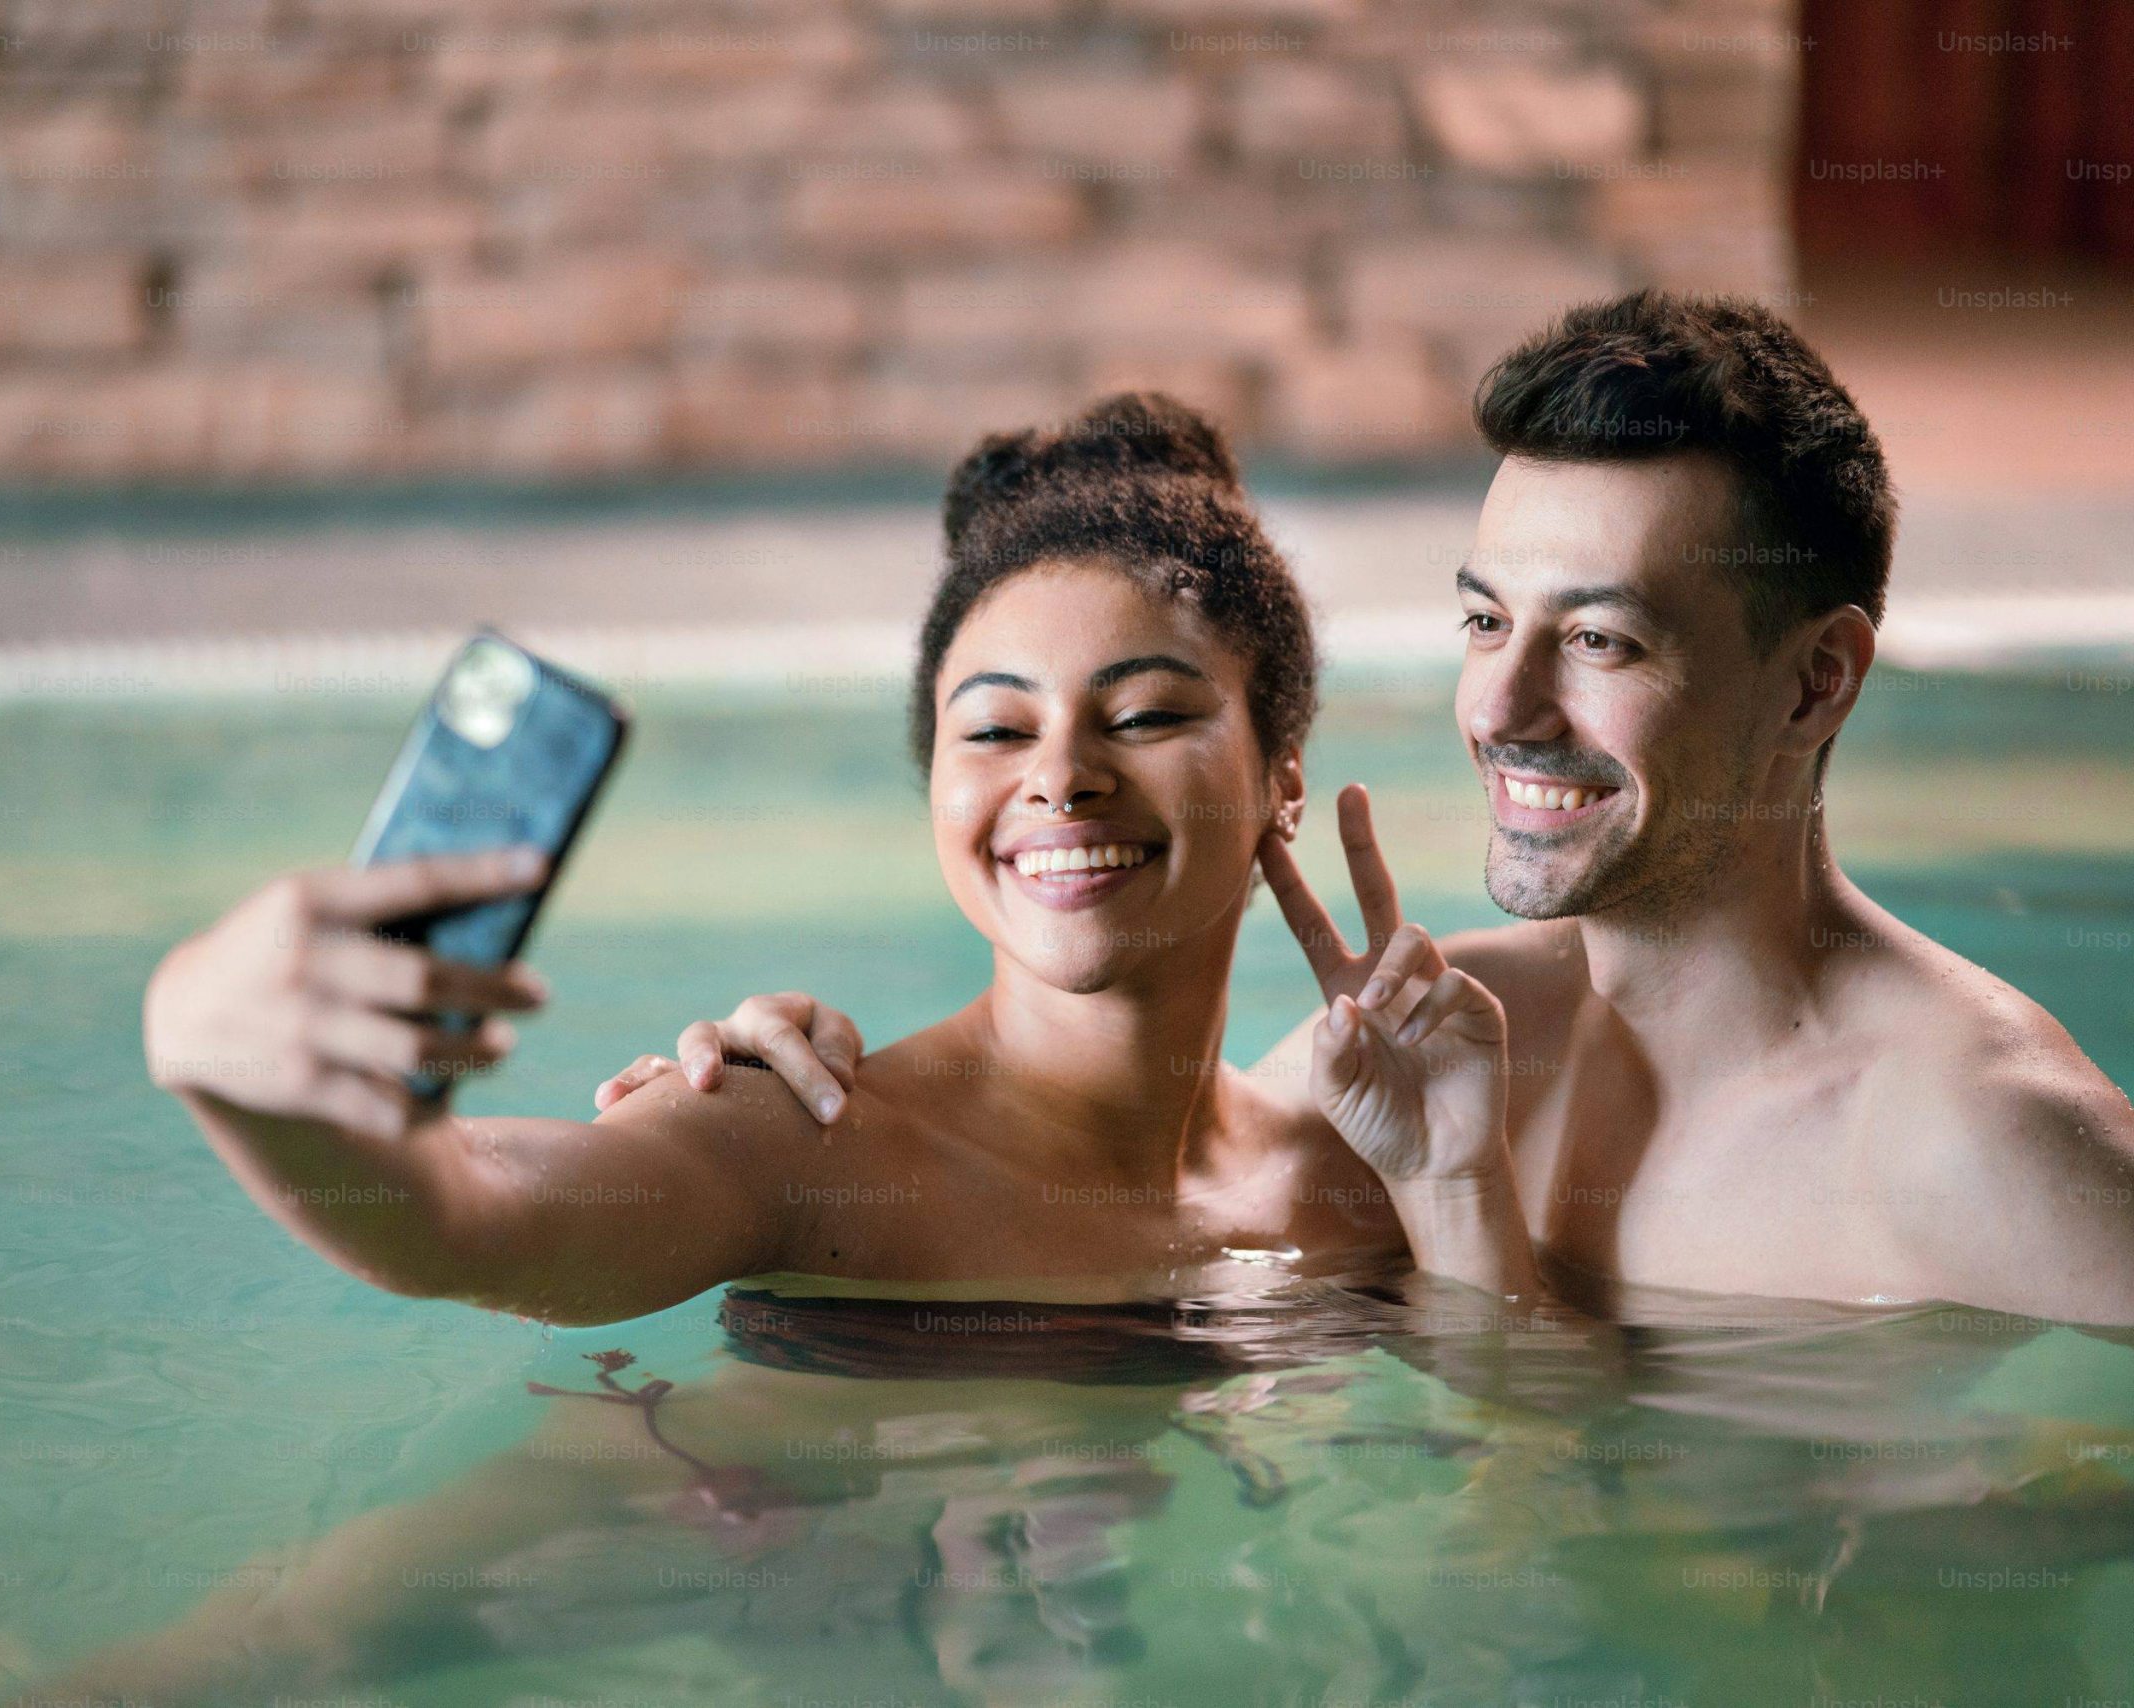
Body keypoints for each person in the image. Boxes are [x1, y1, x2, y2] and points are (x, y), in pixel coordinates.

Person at [620, 293, 2134, 1325]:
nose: (1501, 709)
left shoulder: (1984, 1141)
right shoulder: (1427, 1051)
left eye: (1601, 641)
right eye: (1485, 623)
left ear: (1816, 682)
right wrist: (769, 1116)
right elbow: (1104, 1214)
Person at [142, 393, 1541, 1324]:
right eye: (995, 729)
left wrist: (1455, 1188)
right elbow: (468, 1216)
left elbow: (1537, 1499)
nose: (1061, 776)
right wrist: (215, 1046)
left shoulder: (1371, 1161)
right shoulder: (806, 1134)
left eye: (1144, 715)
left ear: (1282, 775)